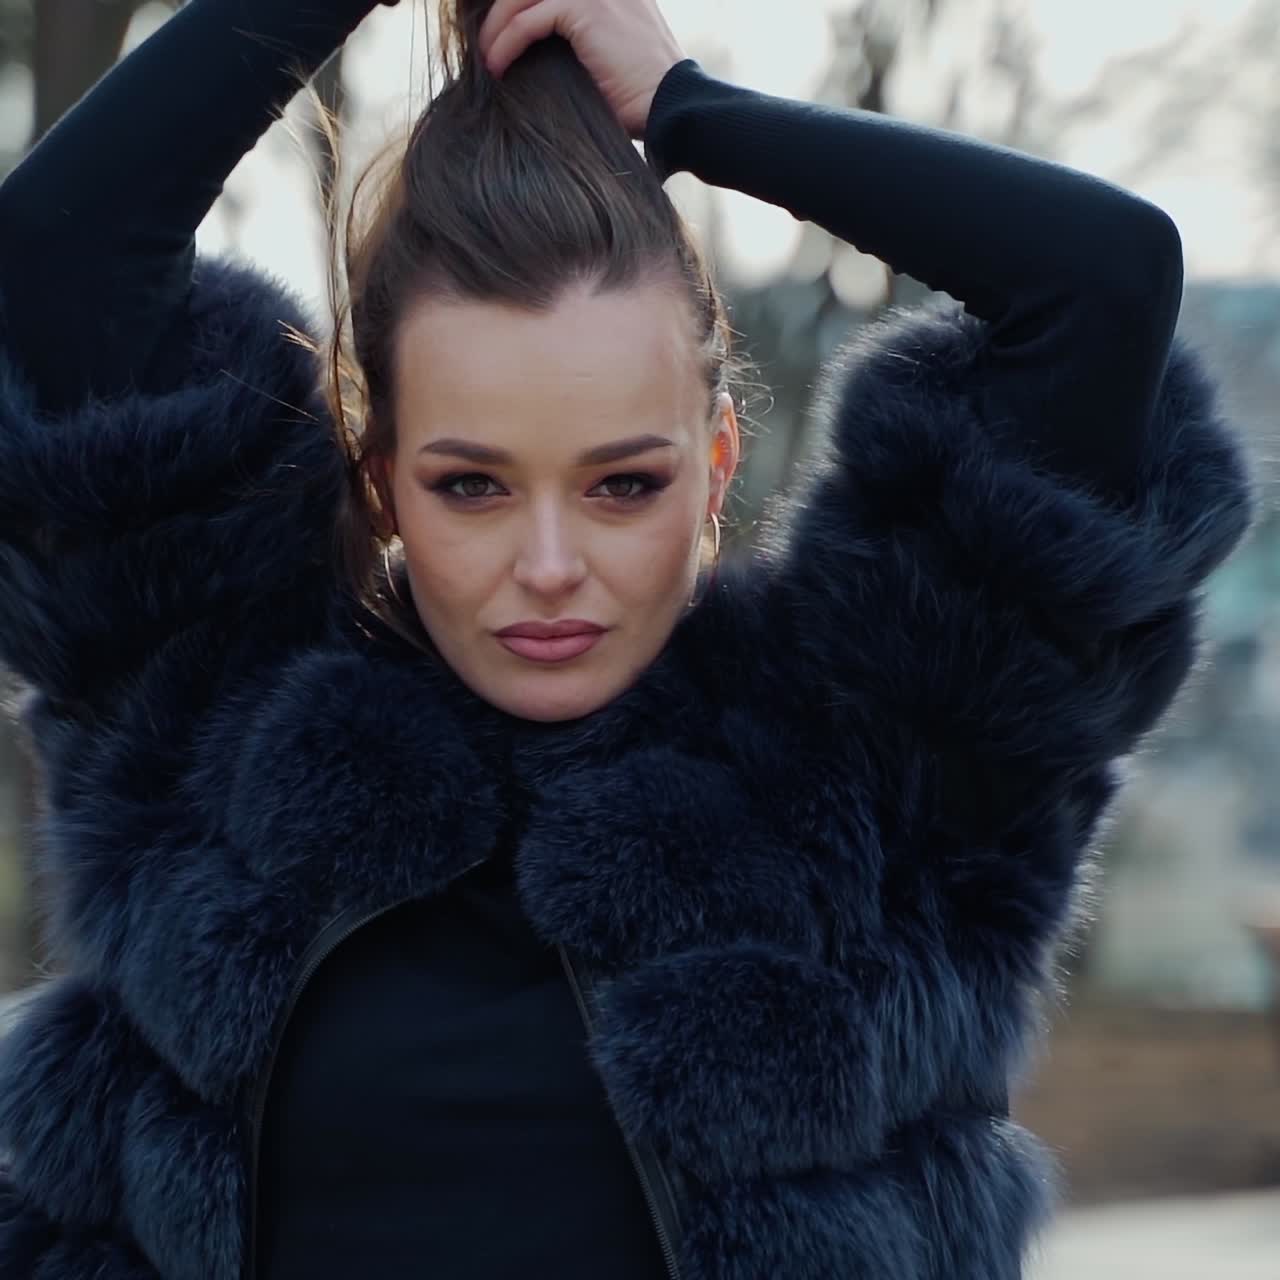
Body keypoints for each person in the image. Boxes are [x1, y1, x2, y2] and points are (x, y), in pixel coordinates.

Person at [0, 0, 1255, 1276]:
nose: (549, 566)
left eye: (621, 484)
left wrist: (690, 113)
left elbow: (1099, 281)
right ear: (379, 479)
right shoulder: (215, 724)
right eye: (472, 485)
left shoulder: (876, 765)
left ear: (715, 465)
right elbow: (56, 249)